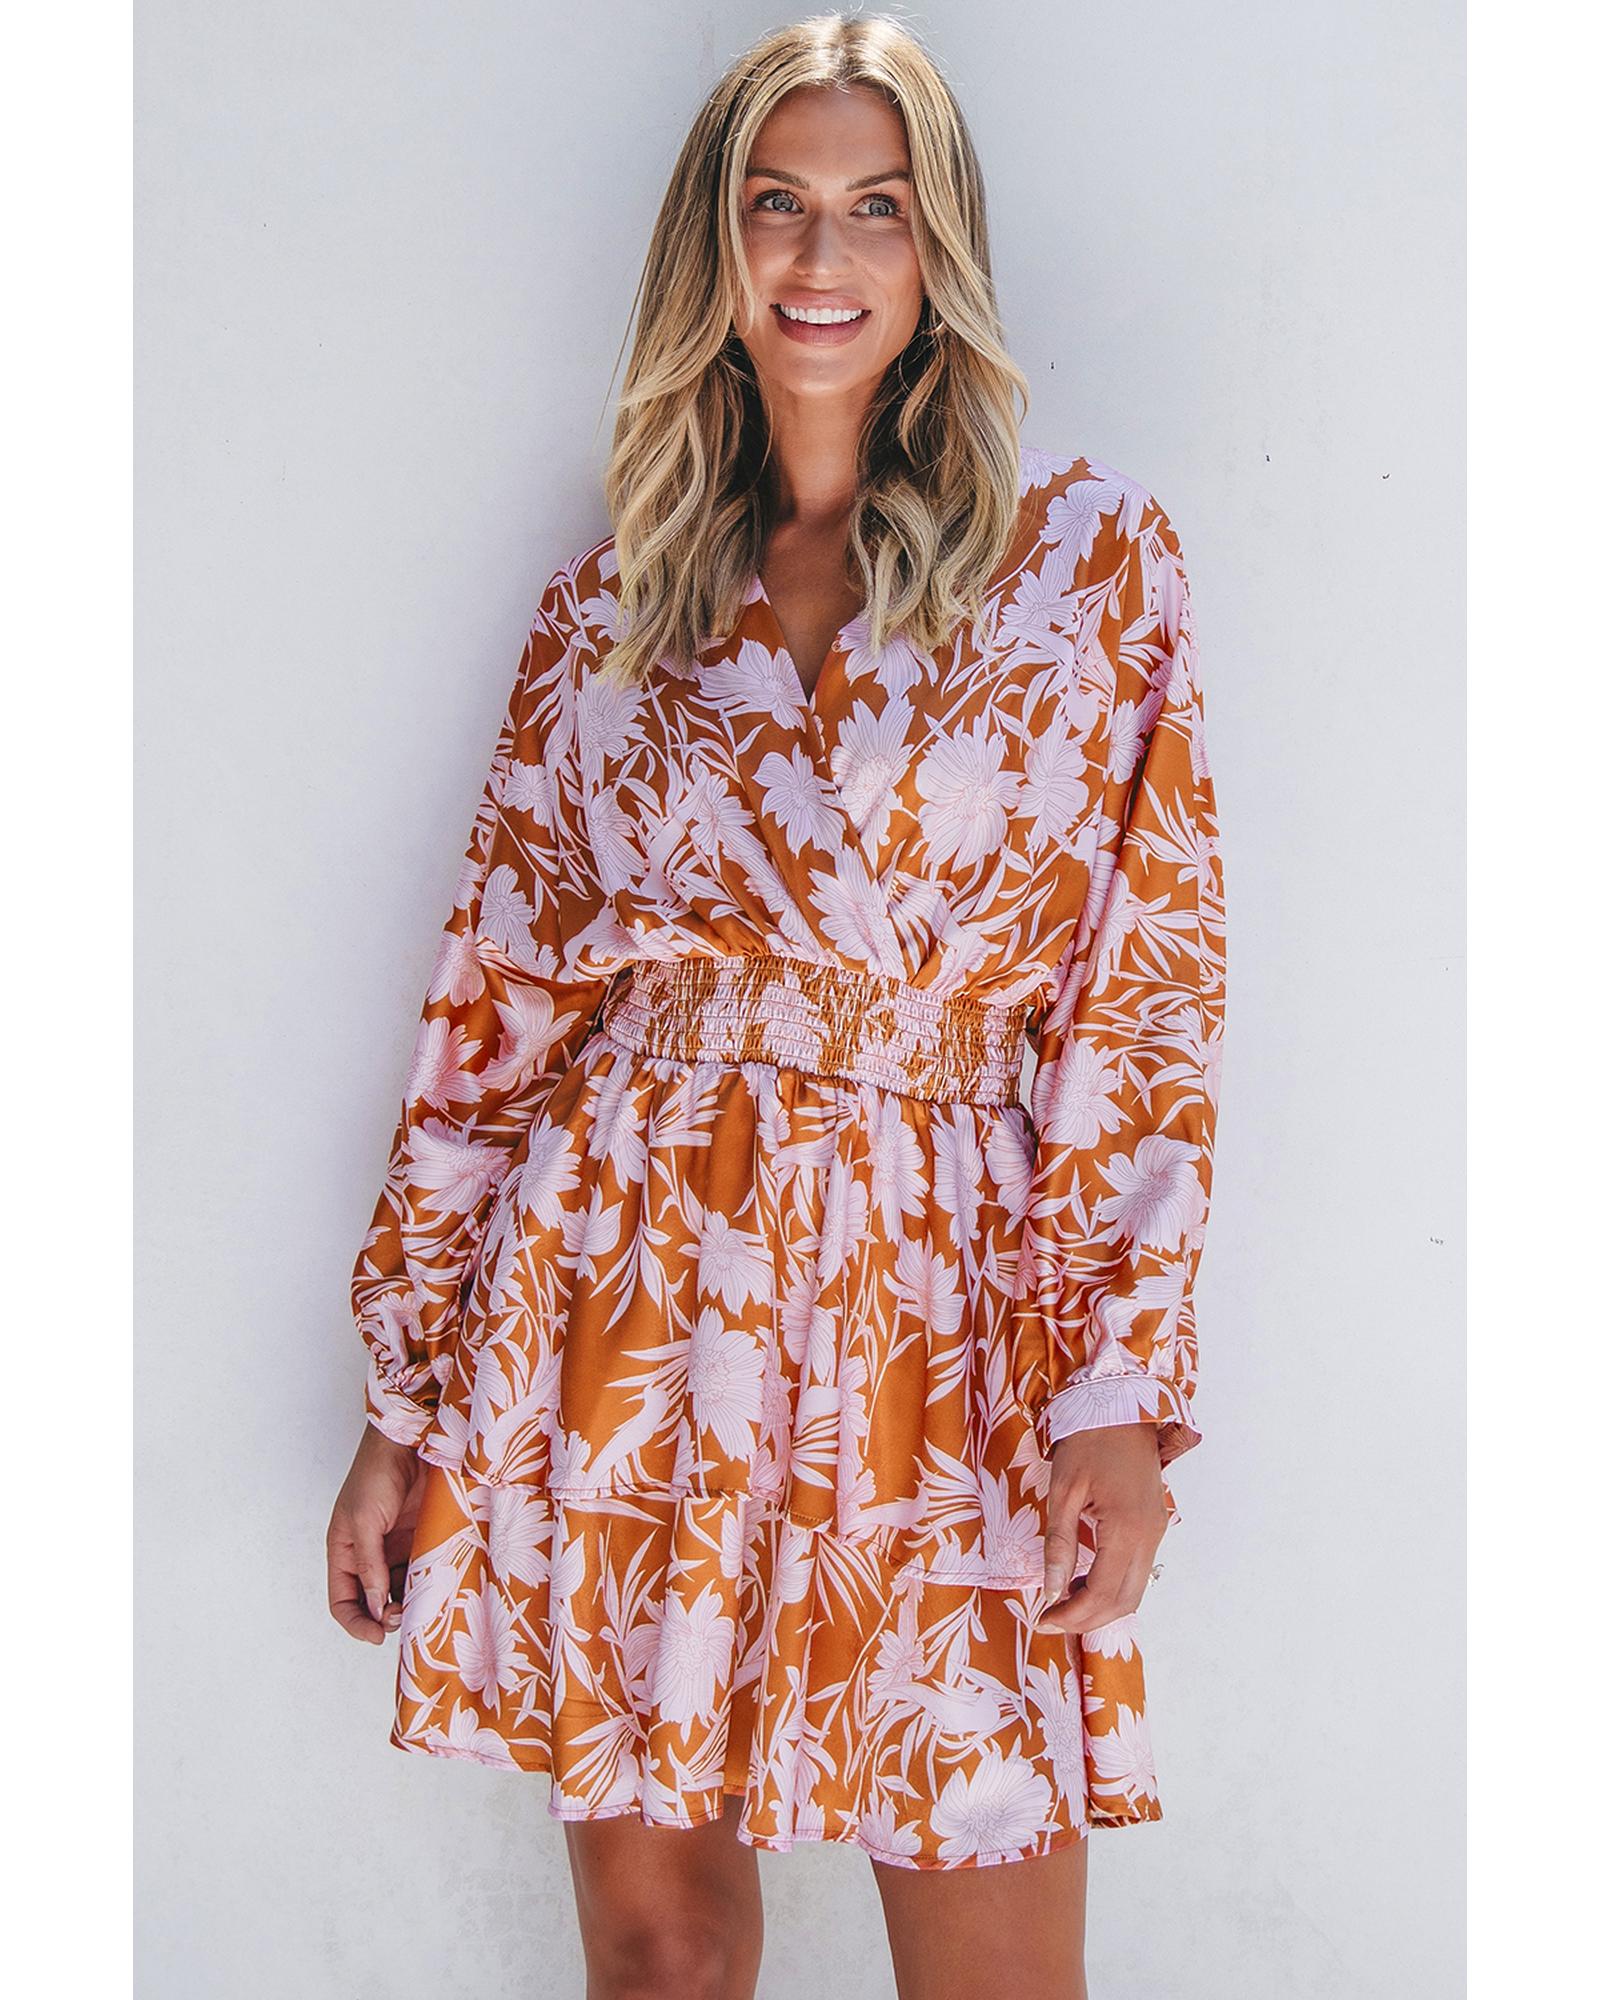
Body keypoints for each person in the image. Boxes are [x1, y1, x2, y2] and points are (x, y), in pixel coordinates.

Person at [325, 13, 1225, 1997]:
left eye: (875, 210)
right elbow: (490, 1021)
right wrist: (401, 1405)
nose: (822, 259)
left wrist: (1117, 1398)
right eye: (775, 206)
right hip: (633, 1288)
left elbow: (1143, 994)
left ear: (938, 251)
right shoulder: (613, 607)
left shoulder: (1086, 566)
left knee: (992, 1953)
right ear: (710, 248)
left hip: (944, 1308)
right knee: (660, 1957)